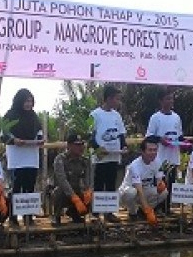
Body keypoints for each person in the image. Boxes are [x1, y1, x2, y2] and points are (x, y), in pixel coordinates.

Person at [1, 89, 44, 227]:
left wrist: (39, 139)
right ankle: (13, 217)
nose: (28, 104)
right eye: (26, 101)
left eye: (31, 101)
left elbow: (39, 132)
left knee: (30, 186)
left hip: (31, 156)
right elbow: (3, 134)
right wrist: (14, 140)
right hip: (17, 157)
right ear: (19, 101)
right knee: (17, 187)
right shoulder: (10, 115)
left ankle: (28, 216)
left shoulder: (33, 116)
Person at [90, 85, 127, 223]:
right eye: (117, 99)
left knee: (111, 184)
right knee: (99, 184)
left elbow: (121, 134)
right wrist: (99, 149)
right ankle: (95, 213)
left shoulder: (117, 115)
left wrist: (124, 146)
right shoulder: (95, 115)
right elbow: (90, 137)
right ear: (109, 98)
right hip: (101, 158)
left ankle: (109, 213)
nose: (118, 102)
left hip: (114, 156)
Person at [119, 136, 167, 225]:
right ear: (142, 151)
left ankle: (142, 211)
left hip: (145, 189)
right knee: (131, 192)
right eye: (150, 150)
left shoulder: (158, 161)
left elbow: (159, 179)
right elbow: (139, 190)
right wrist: (147, 210)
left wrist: (160, 184)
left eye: (155, 150)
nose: (153, 153)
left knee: (164, 193)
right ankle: (132, 213)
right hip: (129, 192)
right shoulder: (135, 166)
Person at [51, 131, 92, 226]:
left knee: (89, 195)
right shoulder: (60, 159)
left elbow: (88, 178)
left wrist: (88, 190)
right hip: (63, 193)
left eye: (82, 144)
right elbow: (62, 180)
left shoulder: (84, 161)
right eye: (77, 145)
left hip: (77, 189)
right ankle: (56, 216)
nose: (80, 147)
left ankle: (75, 213)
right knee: (59, 191)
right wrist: (74, 197)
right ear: (69, 146)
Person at [146, 88, 185, 176]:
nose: (170, 101)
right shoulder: (155, 117)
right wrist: (160, 139)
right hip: (160, 158)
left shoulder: (177, 117)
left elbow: (179, 136)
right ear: (161, 101)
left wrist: (184, 143)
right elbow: (149, 137)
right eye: (168, 99)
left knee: (171, 184)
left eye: (172, 99)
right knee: (160, 185)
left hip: (173, 158)